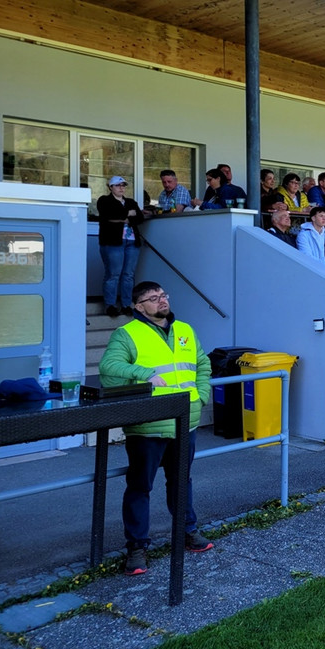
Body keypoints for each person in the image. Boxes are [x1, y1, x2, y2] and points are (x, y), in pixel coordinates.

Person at [99, 281, 214, 575]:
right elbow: (109, 369)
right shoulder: (126, 334)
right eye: (153, 298)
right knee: (140, 487)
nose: (161, 300)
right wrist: (145, 374)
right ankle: (137, 548)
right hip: (147, 426)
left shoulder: (185, 330)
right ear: (138, 307)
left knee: (181, 482)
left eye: (164, 295)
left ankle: (187, 532)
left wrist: (201, 395)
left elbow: (202, 365)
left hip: (184, 420)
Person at [97, 176, 144, 317]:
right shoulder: (104, 200)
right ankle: (110, 305)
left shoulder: (130, 202)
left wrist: (121, 218)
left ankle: (126, 305)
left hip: (131, 241)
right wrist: (127, 214)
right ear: (110, 187)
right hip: (112, 242)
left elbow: (140, 217)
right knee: (113, 274)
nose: (121, 188)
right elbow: (107, 215)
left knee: (128, 275)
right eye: (117, 185)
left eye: (123, 185)